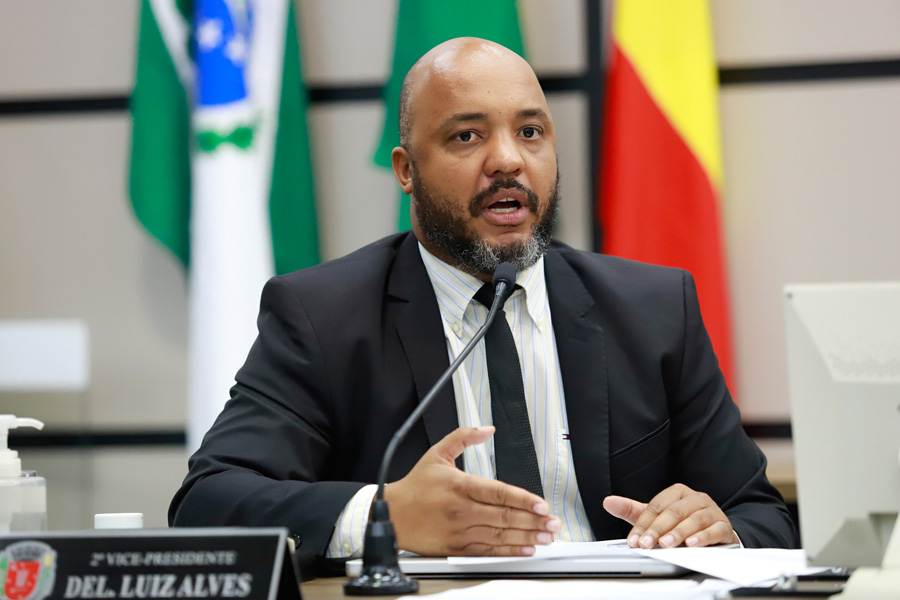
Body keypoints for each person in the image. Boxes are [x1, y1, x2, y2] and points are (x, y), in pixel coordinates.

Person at [169, 38, 798, 573]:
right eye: (467, 136)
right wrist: (385, 513)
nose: (508, 160)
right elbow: (208, 502)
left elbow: (762, 514)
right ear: (406, 170)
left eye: (530, 132)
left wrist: (717, 530)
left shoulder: (654, 309)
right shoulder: (323, 316)